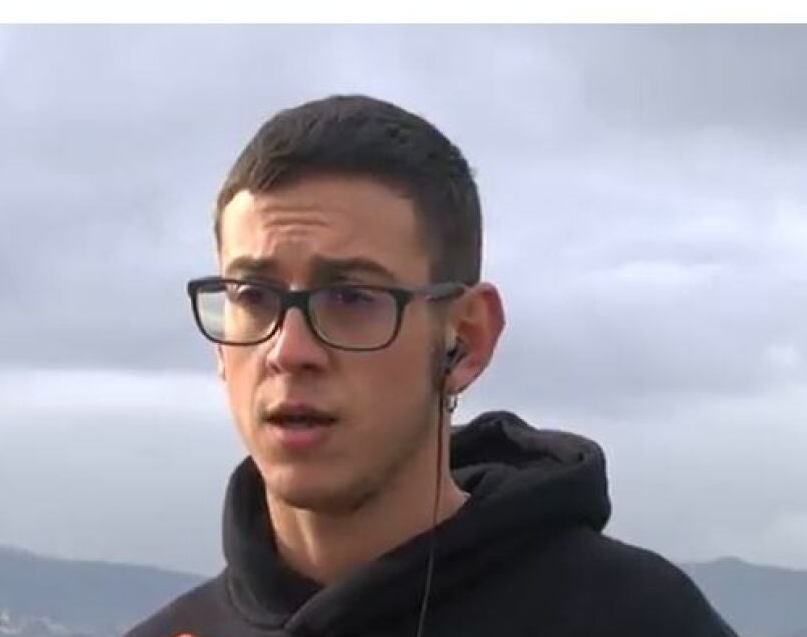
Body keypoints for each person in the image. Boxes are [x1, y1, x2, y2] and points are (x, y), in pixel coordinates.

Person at [126, 95, 738, 636]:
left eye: (351, 298)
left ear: (465, 341)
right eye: (252, 297)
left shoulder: (635, 619)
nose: (288, 350)